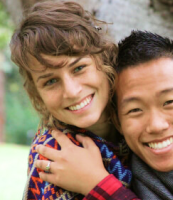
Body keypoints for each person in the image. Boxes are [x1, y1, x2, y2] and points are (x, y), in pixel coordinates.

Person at [35, 30, 173, 200]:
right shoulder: (92, 184)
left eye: (169, 102)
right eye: (135, 110)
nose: (156, 125)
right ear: (117, 121)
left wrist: (103, 187)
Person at [10, 1, 134, 200]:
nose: (72, 91)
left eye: (78, 68)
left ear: (103, 58)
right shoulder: (54, 160)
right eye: (51, 81)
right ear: (37, 93)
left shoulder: (139, 117)